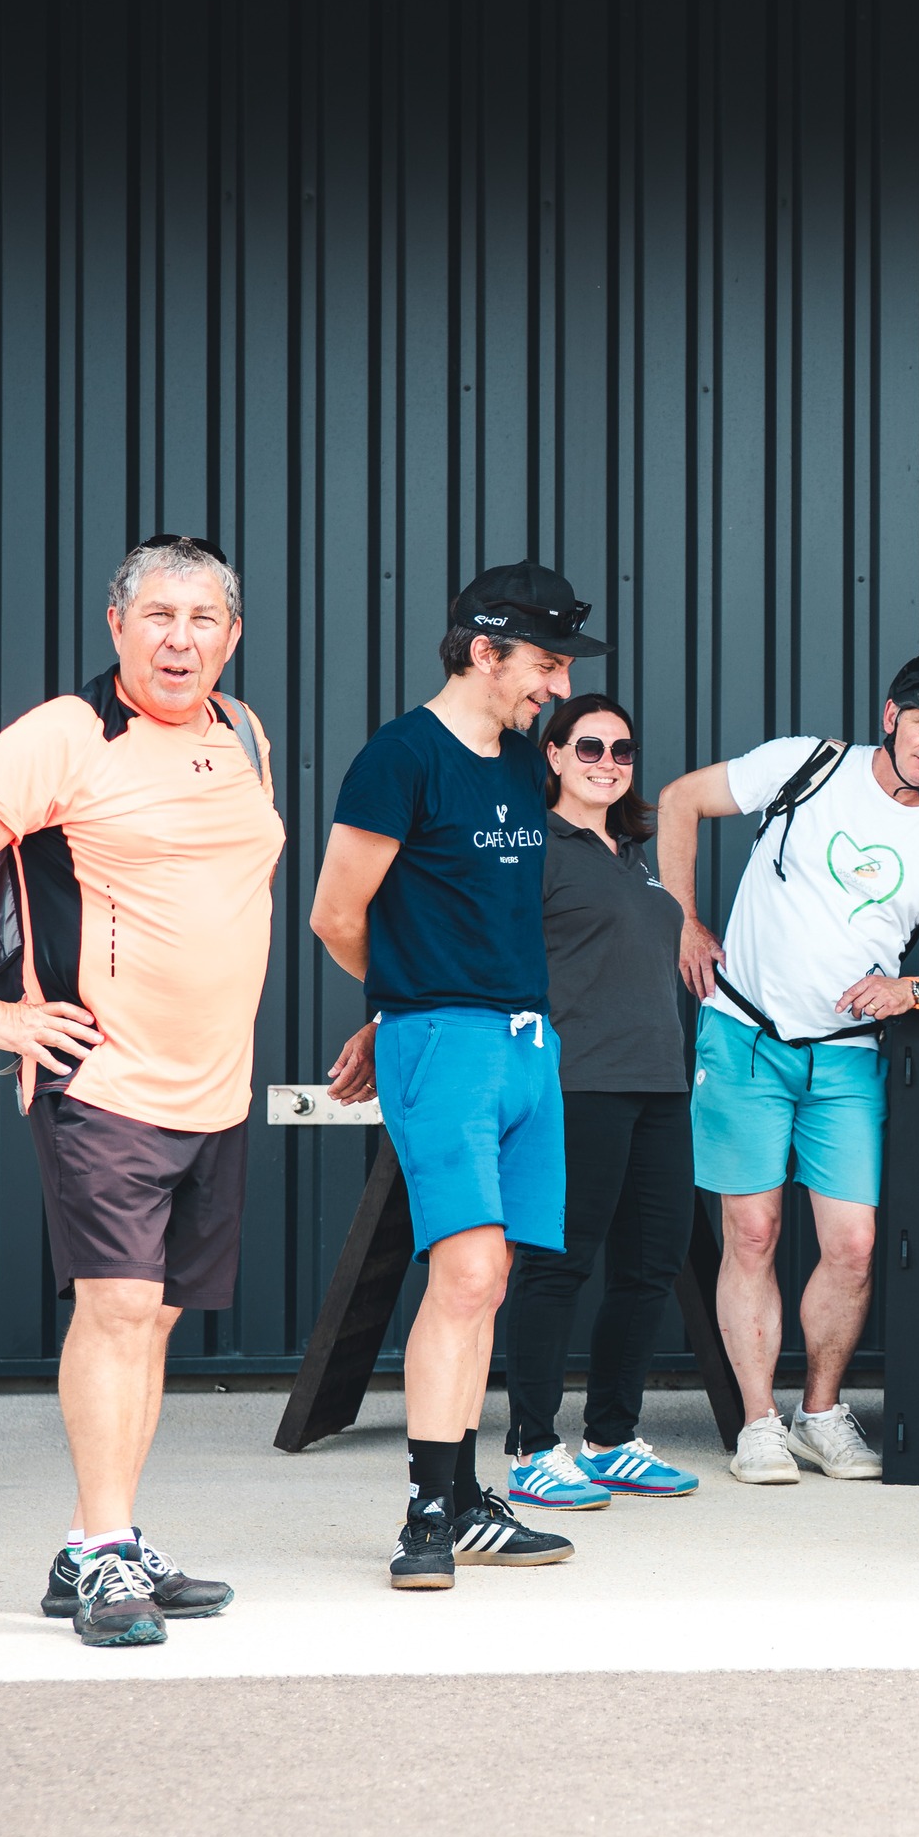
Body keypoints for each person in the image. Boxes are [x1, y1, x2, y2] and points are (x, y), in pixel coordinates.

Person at [0, 535, 285, 1647]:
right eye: (157, 615)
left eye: (203, 619)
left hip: (215, 1088)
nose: (180, 639)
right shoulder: (68, 734)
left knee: (153, 1315)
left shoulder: (247, 733)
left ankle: (92, 1546)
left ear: (232, 635)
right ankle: (109, 1553)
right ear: (116, 626)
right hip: (105, 1078)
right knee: (114, 1307)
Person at [312, 559, 610, 1589]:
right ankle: (429, 1510)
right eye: (545, 662)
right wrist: (401, 1004)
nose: (559, 687)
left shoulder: (523, 767)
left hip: (531, 1046)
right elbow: (335, 913)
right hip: (447, 1039)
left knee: (493, 1282)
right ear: (485, 651)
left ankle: (467, 1493)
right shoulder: (399, 758)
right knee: (468, 1271)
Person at [656, 654, 919, 1485]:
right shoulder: (806, 767)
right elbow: (677, 800)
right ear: (892, 716)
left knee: (852, 1244)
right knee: (754, 1231)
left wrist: (908, 987)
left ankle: (819, 1410)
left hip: (846, 1058)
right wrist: (683, 922)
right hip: (744, 1034)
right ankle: (758, 1424)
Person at [501, 694, 699, 1508]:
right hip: (575, 1082)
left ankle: (612, 1438)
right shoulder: (532, 847)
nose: (608, 763)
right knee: (556, 1266)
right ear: (552, 755)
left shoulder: (631, 854)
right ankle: (532, 1449)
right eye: (588, 748)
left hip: (659, 1083)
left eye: (621, 751)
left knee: (649, 1268)